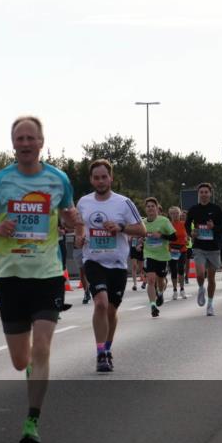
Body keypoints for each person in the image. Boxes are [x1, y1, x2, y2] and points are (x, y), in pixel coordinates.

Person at [0, 116, 79, 443]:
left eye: (31, 138)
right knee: (21, 360)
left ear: (41, 142)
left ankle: (33, 419)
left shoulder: (58, 179)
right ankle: (31, 366)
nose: (26, 143)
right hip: (10, 275)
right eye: (20, 138)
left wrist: (75, 222)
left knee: (43, 348)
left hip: (46, 274)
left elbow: (69, 216)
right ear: (13, 143)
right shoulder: (0, 181)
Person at [75, 159, 145, 372]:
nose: (100, 181)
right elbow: (79, 227)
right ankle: (100, 353)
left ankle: (107, 347)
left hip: (116, 263)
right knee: (101, 304)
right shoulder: (84, 202)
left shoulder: (123, 203)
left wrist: (121, 227)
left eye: (104, 177)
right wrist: (79, 238)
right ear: (91, 180)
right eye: (96, 177)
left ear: (111, 178)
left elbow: (141, 229)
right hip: (93, 260)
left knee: (112, 309)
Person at [185, 183, 222, 317]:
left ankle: (210, 304)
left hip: (213, 248)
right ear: (198, 194)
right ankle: (201, 288)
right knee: (201, 274)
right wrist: (191, 233)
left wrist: (213, 227)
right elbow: (186, 225)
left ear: (210, 194)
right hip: (199, 247)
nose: (203, 194)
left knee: (212, 278)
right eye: (201, 192)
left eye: (206, 192)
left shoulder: (216, 209)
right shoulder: (194, 209)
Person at [142, 197, 176, 318]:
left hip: (162, 255)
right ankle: (153, 306)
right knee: (150, 279)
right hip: (149, 254)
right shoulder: (143, 223)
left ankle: (160, 293)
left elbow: (174, 237)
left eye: (152, 206)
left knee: (160, 280)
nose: (150, 208)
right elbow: (140, 236)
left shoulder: (164, 221)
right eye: (148, 206)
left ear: (157, 208)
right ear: (145, 209)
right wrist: (140, 241)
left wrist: (161, 235)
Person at [168, 206, 189, 300]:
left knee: (181, 268)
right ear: (170, 215)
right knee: (173, 270)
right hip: (171, 250)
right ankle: (175, 290)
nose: (175, 215)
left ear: (180, 214)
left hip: (182, 249)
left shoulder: (184, 224)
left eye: (176, 213)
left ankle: (182, 289)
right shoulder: (167, 224)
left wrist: (187, 239)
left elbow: (187, 235)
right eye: (172, 213)